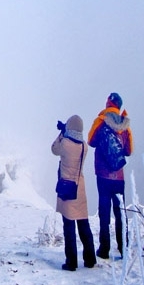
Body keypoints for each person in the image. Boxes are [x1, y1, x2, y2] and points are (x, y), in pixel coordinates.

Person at [88, 92, 133, 259]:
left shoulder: (100, 120)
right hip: (119, 177)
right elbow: (129, 151)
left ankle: (104, 249)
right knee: (120, 212)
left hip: (102, 174)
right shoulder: (125, 124)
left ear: (108, 103)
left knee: (104, 211)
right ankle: (124, 248)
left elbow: (91, 141)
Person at [51, 114, 97, 271]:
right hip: (80, 188)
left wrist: (62, 133)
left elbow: (53, 149)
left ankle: (71, 262)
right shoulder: (84, 146)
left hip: (67, 189)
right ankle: (90, 259)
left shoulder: (65, 144)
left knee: (68, 226)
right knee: (84, 225)